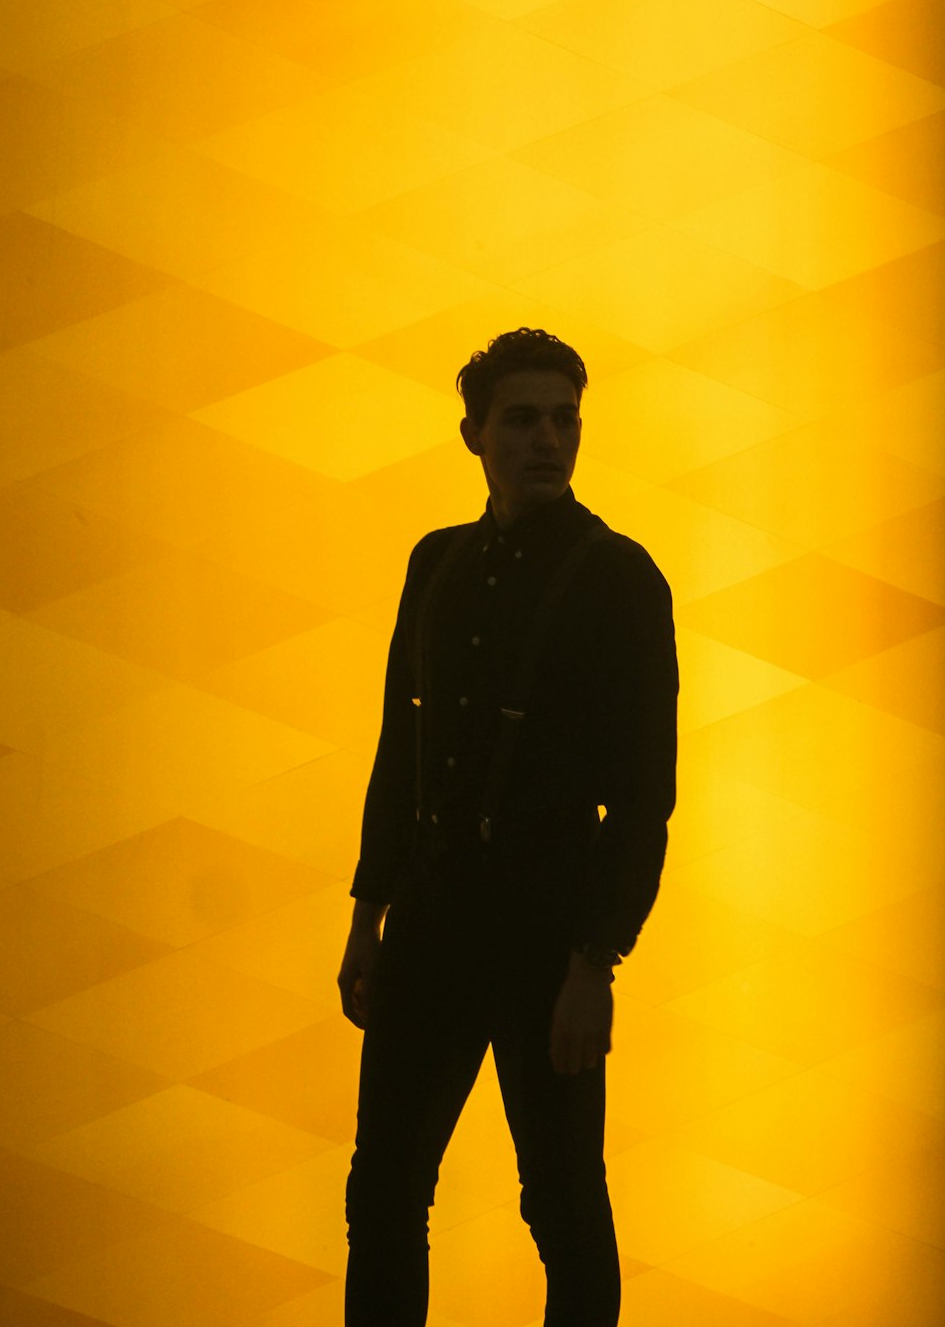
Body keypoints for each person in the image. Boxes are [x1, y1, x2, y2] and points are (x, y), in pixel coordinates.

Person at [337, 328, 678, 1326]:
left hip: (546, 940)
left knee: (562, 1201)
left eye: (564, 420)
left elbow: (643, 797)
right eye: (523, 419)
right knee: (383, 1190)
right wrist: (368, 915)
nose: (547, 440)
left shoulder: (619, 576)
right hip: (432, 928)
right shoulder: (435, 563)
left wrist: (594, 962)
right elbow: (401, 748)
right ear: (473, 434)